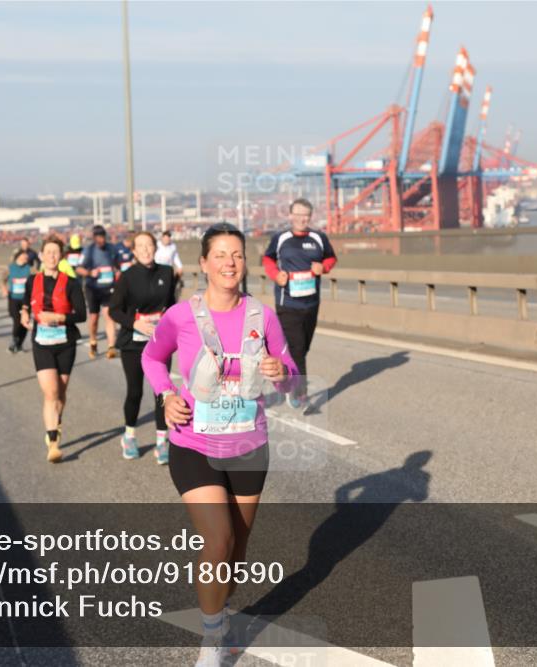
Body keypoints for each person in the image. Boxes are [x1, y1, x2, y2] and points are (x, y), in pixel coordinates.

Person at [142, 223, 297, 666]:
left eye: (237, 254)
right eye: (221, 255)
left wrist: (279, 371)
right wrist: (167, 395)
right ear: (204, 264)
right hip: (193, 441)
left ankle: (220, 611)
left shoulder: (262, 316)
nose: (230, 262)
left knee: (238, 550)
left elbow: (289, 372)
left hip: (248, 443)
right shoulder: (180, 315)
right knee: (219, 538)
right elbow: (153, 356)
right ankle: (212, 638)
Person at [108, 231, 177, 462]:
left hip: (159, 342)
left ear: (155, 248)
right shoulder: (127, 277)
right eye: (141, 246)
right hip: (133, 343)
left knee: (162, 391)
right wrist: (135, 323)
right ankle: (129, 436)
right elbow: (114, 310)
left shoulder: (167, 273)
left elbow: (171, 306)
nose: (146, 249)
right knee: (135, 392)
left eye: (149, 245)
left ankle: (162, 442)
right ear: (134, 251)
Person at [263, 198, 337, 409]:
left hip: (311, 302)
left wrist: (324, 267)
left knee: (303, 348)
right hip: (288, 302)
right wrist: (276, 275)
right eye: (297, 215)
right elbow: (267, 260)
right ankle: (299, 392)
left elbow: (331, 259)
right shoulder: (281, 238)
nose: (301, 219)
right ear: (290, 216)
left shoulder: (318, 238)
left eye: (305, 215)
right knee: (296, 347)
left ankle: (287, 378)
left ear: (310, 217)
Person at [20, 236, 87, 463]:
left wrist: (59, 317)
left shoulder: (71, 283)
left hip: (65, 343)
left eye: (55, 252)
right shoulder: (32, 281)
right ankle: (54, 443)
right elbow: (25, 302)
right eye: (47, 252)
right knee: (50, 393)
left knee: (61, 392)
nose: (51, 256)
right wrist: (24, 312)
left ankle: (55, 423)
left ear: (61, 256)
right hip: (42, 344)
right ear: (40, 255)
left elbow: (81, 314)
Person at [76, 225, 119, 359]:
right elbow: (78, 269)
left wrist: (117, 272)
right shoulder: (88, 251)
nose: (101, 240)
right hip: (93, 288)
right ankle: (93, 341)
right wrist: (89, 272)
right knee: (94, 318)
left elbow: (117, 265)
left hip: (108, 288)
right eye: (98, 237)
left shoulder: (111, 248)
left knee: (109, 315)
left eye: (103, 237)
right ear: (94, 238)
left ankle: (111, 347)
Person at [4, 249, 32, 353]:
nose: (27, 257)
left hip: (26, 299)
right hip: (14, 298)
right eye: (25, 256)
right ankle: (14, 341)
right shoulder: (10, 268)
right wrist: (3, 288)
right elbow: (3, 279)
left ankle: (19, 344)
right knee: (17, 321)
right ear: (19, 256)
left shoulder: (29, 268)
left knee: (25, 322)